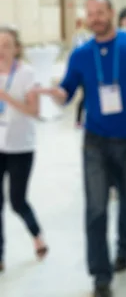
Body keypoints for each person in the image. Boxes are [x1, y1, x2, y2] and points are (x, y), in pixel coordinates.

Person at [35, 0, 126, 297]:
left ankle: (124, 249)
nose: (96, 18)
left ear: (112, 13)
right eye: (90, 14)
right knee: (95, 209)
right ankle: (100, 277)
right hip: (96, 141)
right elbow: (67, 92)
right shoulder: (80, 54)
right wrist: (55, 93)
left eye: (101, 12)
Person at [0, 25, 47, 273]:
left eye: (7, 45)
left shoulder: (27, 74)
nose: (1, 51)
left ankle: (37, 235)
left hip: (20, 147)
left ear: (17, 49)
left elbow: (34, 111)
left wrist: (6, 98)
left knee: (17, 201)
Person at [72, 18, 92, 128]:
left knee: (86, 96)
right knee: (85, 96)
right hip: (84, 71)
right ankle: (79, 120)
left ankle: (80, 120)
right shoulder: (82, 35)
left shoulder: (82, 35)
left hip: (85, 71)